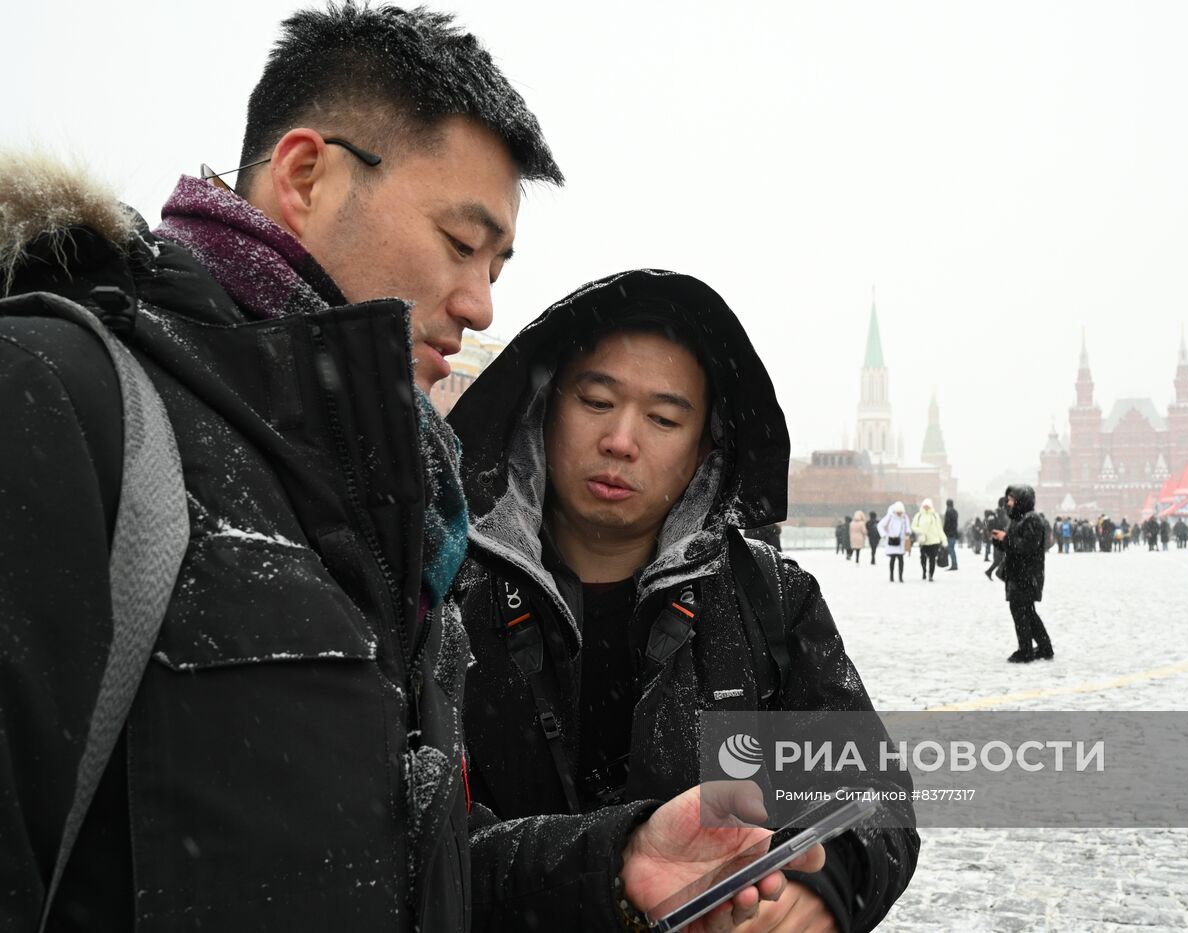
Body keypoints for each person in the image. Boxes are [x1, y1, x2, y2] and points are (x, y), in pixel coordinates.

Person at [0, 7, 818, 930]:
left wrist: (624, 863)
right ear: (306, 174)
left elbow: (401, 866)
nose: (477, 304)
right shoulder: (56, 404)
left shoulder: (751, 598)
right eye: (460, 243)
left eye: (500, 265)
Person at [446, 271, 918, 931]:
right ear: (543, 404)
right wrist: (610, 870)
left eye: (664, 418)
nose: (621, 440)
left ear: (705, 447)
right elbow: (405, 847)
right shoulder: (444, 598)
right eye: (596, 400)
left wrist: (827, 888)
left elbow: (871, 795)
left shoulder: (769, 601)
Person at [990, 485, 1054, 663]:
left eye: (1010, 499)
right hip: (1019, 574)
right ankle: (1044, 647)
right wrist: (999, 541)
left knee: (1021, 612)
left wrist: (1006, 539)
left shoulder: (1031, 520)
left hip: (1027, 575)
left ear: (1020, 500)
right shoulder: (1019, 519)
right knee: (1026, 611)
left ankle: (1025, 650)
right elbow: (1013, 547)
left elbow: (1026, 548)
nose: (1007, 503)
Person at [912, 498, 948, 581]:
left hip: (934, 541)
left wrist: (944, 540)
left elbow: (939, 529)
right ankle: (924, 571)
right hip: (923, 541)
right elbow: (913, 526)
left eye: (928, 506)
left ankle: (931, 575)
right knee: (923, 558)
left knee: (932, 559)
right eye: (925, 506)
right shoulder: (918, 516)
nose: (926, 508)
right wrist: (920, 531)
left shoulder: (935, 516)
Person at [879, 502, 913, 582]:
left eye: (901, 512)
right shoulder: (890, 517)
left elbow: (908, 527)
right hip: (891, 541)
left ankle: (900, 577)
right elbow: (880, 525)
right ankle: (891, 576)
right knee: (892, 559)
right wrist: (884, 535)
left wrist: (908, 532)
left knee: (901, 559)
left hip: (901, 541)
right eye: (898, 512)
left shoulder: (905, 517)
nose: (899, 513)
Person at [985, 499, 1009, 580]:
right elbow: (1003, 525)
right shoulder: (1001, 513)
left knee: (1001, 558)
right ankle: (995, 572)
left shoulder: (996, 513)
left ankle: (991, 571)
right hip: (1000, 538)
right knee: (1000, 558)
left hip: (999, 538)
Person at [943, 498, 961, 570]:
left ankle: (954, 565)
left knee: (951, 549)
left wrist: (944, 532)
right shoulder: (955, 512)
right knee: (952, 549)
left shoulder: (948, 512)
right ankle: (954, 564)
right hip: (954, 533)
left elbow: (947, 524)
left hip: (949, 533)